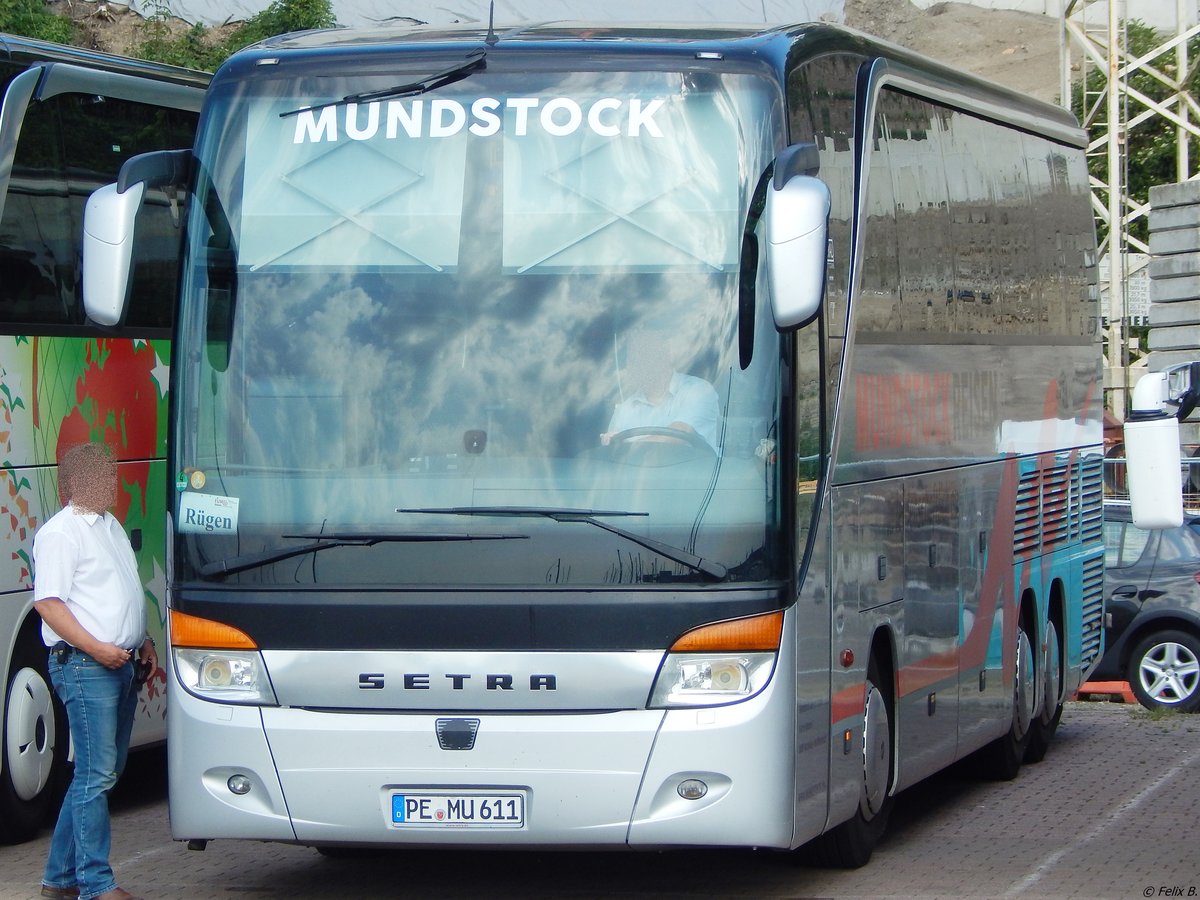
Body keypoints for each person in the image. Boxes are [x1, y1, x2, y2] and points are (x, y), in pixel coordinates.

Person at [32, 442, 157, 900]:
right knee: (96, 774)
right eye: (102, 476)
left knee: (100, 773)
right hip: (87, 665)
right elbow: (49, 604)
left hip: (117, 662)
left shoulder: (110, 526)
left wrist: (140, 640)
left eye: (111, 475)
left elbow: (123, 588)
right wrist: (99, 649)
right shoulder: (61, 533)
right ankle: (96, 884)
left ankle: (58, 879)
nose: (112, 482)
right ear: (75, 483)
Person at [600, 326, 720, 452]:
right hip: (638, 472)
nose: (638, 362)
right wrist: (611, 444)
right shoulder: (623, 411)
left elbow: (679, 435)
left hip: (702, 471)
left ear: (665, 355)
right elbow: (614, 460)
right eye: (633, 357)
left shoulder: (699, 390)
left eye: (646, 353)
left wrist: (624, 448)